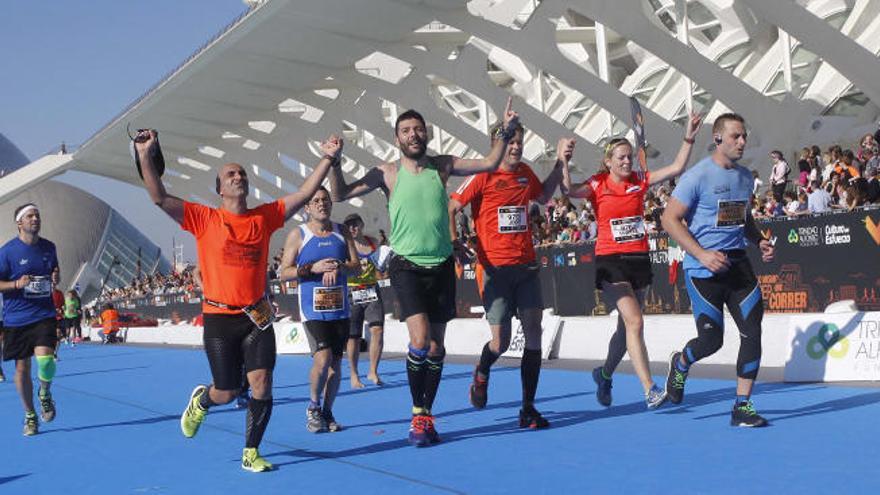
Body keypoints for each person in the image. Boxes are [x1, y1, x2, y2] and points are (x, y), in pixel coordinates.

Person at [134, 128, 342, 472]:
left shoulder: (265, 216)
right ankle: (202, 400)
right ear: (220, 188)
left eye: (242, 173)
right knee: (227, 392)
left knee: (262, 383)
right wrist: (144, 154)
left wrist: (328, 157)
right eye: (230, 174)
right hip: (219, 319)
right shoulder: (204, 218)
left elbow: (305, 193)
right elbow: (159, 197)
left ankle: (251, 452)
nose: (238, 176)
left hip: (256, 316)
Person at [328, 98, 519, 447]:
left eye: (418, 129)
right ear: (397, 138)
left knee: (437, 348)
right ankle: (418, 414)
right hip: (406, 266)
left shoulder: (442, 166)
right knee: (420, 341)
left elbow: (491, 161)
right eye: (406, 131)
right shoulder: (386, 173)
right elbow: (339, 193)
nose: (413, 135)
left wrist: (505, 131)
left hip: (442, 265)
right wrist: (334, 162)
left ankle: (427, 414)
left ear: (427, 134)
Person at [563, 113, 702, 409]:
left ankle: (603, 374)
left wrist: (688, 135)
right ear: (608, 162)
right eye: (621, 158)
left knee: (626, 329)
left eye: (629, 157)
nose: (627, 162)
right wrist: (563, 162)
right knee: (636, 321)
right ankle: (650, 389)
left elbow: (678, 167)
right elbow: (568, 190)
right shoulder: (597, 184)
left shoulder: (640, 181)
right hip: (610, 261)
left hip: (639, 260)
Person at [449, 120, 572, 428]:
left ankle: (528, 408)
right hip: (494, 270)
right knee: (500, 343)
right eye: (511, 141)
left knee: (534, 331)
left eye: (520, 141)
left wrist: (561, 163)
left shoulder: (524, 173)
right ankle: (482, 369)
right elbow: (451, 207)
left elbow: (543, 197)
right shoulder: (482, 174)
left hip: (526, 266)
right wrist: (455, 242)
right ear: (497, 144)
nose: (516, 146)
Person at [660, 113, 775, 427]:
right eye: (736, 136)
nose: (742, 142)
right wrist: (701, 253)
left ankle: (742, 406)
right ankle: (681, 363)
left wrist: (759, 240)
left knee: (753, 331)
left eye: (744, 136)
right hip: (703, 271)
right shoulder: (697, 176)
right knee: (712, 342)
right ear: (718, 138)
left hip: (738, 265)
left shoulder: (745, 177)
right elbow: (669, 220)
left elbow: (743, 217)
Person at [279, 187, 359, 433]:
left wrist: (340, 267)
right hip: (313, 310)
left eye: (325, 200)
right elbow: (284, 273)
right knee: (322, 360)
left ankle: (327, 411)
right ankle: (313, 406)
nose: (321, 204)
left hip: (339, 309)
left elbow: (356, 266)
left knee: (335, 365)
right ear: (307, 207)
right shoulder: (298, 234)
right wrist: (311, 268)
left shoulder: (341, 232)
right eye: (315, 201)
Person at [0, 204, 61, 436]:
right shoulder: (6, 252)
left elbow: (55, 272)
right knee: (22, 369)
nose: (35, 219)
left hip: (43, 314)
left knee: (45, 362)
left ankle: (44, 393)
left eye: (37, 215)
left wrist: (55, 276)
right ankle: (30, 415)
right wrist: (15, 284)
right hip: (16, 318)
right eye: (30, 216)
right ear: (19, 222)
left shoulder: (49, 247)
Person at [342, 213, 387, 388]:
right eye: (349, 225)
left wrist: (382, 267)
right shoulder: (344, 246)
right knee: (353, 336)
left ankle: (373, 371)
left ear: (361, 224)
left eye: (355, 224)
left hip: (371, 289)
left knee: (378, 330)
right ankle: (354, 374)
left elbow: (379, 270)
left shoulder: (372, 242)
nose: (352, 228)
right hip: (352, 291)